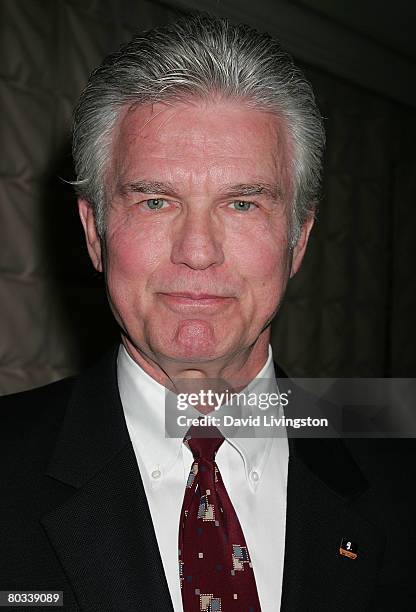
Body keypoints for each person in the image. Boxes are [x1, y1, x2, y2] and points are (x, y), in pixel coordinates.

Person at [1, 13, 415, 612]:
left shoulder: (400, 473)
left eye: (242, 203)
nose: (197, 252)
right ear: (95, 232)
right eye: (155, 200)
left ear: (298, 239)